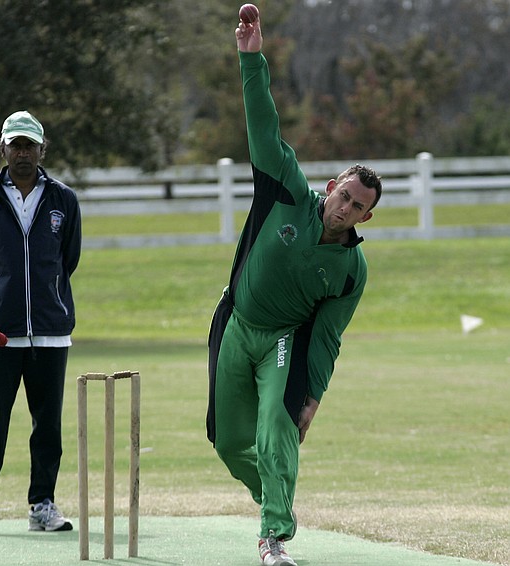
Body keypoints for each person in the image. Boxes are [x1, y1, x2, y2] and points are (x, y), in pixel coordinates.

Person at [206, 11, 382, 566]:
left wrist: (312, 398)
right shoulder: (286, 189)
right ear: (330, 187)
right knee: (229, 442)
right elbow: (263, 123)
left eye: (359, 207)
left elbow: (327, 337)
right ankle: (275, 501)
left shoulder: (352, 270)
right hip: (238, 324)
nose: (346, 208)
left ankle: (273, 536)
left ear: (366, 218)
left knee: (276, 432)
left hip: (285, 342)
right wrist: (251, 58)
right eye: (344, 195)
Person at [0, 110, 82, 535]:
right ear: (3, 148)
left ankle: (42, 505)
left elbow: (69, 259)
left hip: (51, 330)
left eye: (30, 145)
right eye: (16, 145)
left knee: (47, 424)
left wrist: (46, 294)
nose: (23, 153)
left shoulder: (63, 199)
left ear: (42, 149)